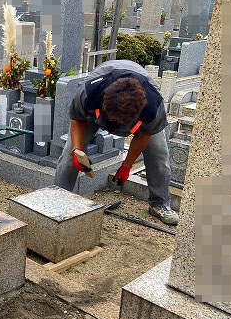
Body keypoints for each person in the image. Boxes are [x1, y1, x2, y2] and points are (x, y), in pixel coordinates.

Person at [54, 60, 178, 225]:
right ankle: (57, 201)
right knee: (69, 156)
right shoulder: (89, 91)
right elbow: (77, 119)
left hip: (139, 107)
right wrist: (77, 150)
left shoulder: (152, 107)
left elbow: (143, 136)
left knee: (159, 155)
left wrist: (127, 166)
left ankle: (159, 203)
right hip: (97, 108)